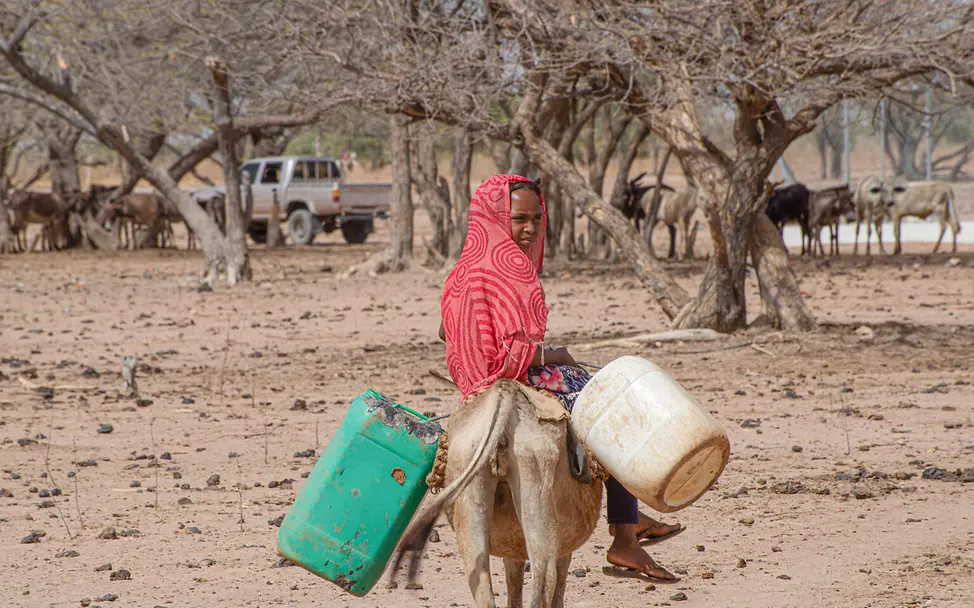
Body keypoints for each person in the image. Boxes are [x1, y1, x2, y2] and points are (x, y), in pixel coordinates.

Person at [438, 174, 682, 582]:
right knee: (606, 403)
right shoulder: (513, 272)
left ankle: (630, 522)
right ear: (496, 218)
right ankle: (626, 534)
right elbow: (513, 356)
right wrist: (552, 354)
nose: (530, 229)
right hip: (517, 380)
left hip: (472, 389)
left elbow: (446, 332)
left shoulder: (462, 272)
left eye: (536, 218)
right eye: (518, 219)